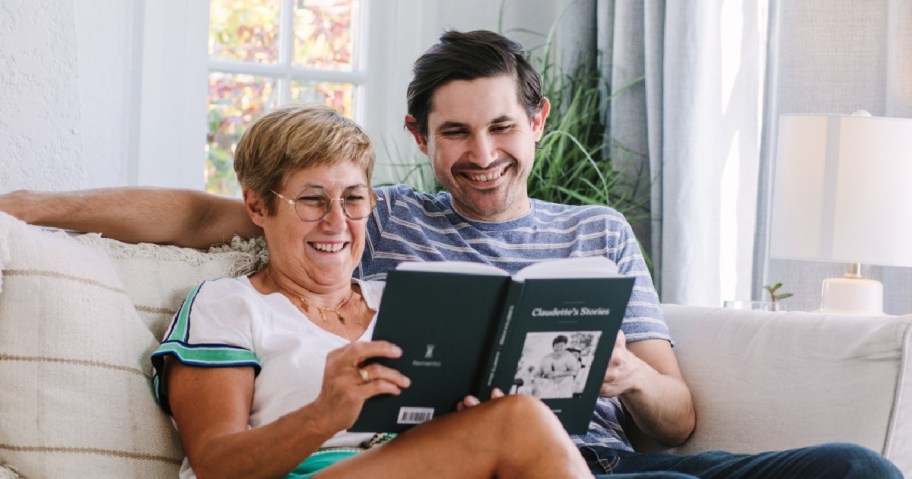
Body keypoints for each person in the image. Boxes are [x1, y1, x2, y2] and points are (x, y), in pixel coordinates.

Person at [0, 30, 901, 478]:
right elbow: (202, 216)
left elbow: (679, 415)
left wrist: (626, 375)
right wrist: (34, 204)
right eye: (456, 132)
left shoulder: (589, 235)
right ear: (420, 136)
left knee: (854, 467)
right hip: (486, 459)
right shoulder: (369, 230)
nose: (481, 153)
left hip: (618, 458)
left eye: (502, 126)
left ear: (535, 122)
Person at [149, 103, 594, 478]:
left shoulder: (404, 301)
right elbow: (214, 464)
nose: (337, 221)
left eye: (354, 198)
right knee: (519, 420)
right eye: (312, 199)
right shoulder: (228, 305)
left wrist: (467, 418)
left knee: (511, 414)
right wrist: (321, 416)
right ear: (257, 205)